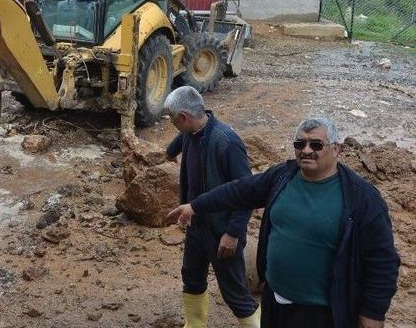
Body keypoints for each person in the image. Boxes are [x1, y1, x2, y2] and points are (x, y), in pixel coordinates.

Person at [167, 117, 400, 328]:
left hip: (324, 314)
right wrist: (196, 206)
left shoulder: (362, 199)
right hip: (276, 303)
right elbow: (239, 191)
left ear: (336, 149)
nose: (306, 151)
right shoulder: (282, 177)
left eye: (316, 145)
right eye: (300, 144)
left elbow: (383, 262)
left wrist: (372, 314)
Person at [162, 86, 260, 328]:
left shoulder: (226, 142)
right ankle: (194, 325)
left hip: (222, 231)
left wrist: (233, 233)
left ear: (184, 117)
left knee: (234, 293)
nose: (172, 124)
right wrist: (172, 155)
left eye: (172, 119)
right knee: (192, 278)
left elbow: (247, 192)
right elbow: (173, 147)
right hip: (197, 225)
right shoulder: (189, 133)